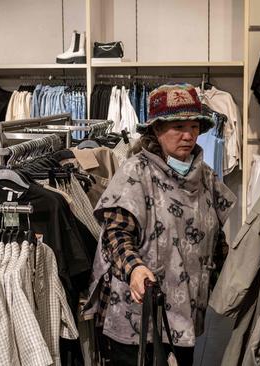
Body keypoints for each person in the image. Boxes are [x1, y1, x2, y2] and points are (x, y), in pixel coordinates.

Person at [85, 83, 236, 365]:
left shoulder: (206, 176)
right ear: (156, 130)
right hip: (138, 317)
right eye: (178, 126)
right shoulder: (135, 173)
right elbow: (115, 236)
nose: (188, 135)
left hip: (187, 312)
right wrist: (135, 269)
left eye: (193, 126)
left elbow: (217, 240)